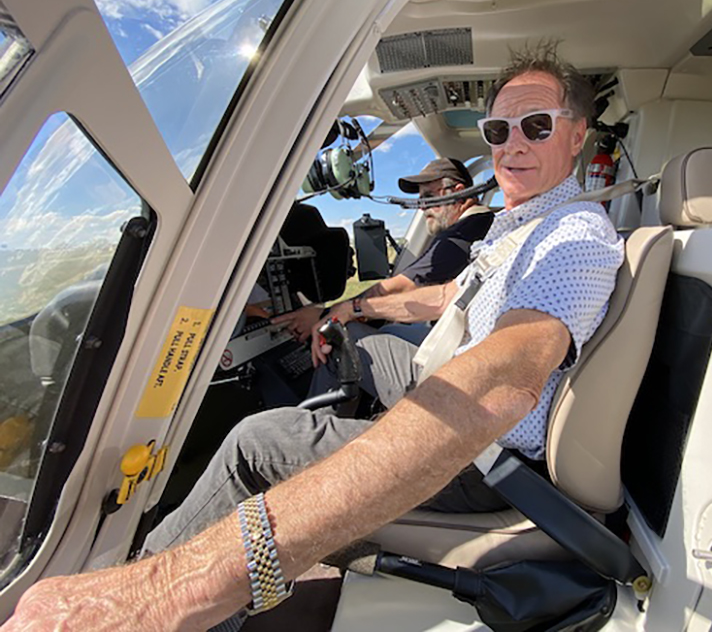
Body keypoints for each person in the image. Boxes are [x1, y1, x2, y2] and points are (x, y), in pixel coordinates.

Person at [1, 43, 624, 632]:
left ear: (575, 135)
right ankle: (328, 433)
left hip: (486, 460)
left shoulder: (573, 236)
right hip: (456, 390)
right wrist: (346, 313)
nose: (511, 144)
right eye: (498, 131)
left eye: (535, 126)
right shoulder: (520, 225)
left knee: (259, 442)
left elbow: (506, 376)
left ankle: (157, 598)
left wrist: (178, 583)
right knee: (366, 347)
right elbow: (444, 297)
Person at [271, 158, 493, 407]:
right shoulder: (474, 227)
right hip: (460, 345)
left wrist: (327, 315)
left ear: (458, 193)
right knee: (386, 330)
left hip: (459, 359)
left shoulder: (464, 233)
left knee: (344, 336)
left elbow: (401, 286)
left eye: (428, 197)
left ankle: (304, 430)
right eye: (419, 200)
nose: (421, 207)